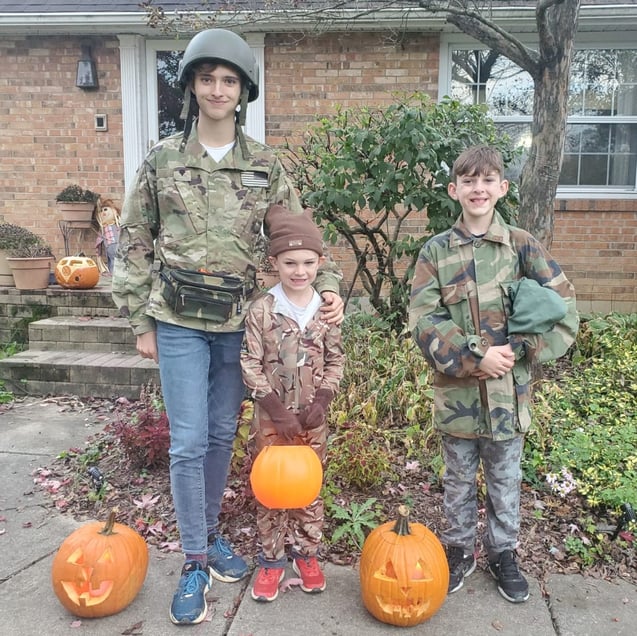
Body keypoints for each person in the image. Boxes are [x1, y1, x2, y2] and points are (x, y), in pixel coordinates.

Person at [111, 29, 343, 626]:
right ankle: (193, 561)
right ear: (191, 85)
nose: (218, 89)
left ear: (244, 92)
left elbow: (299, 236)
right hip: (178, 321)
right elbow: (134, 242)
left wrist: (330, 286)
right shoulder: (163, 160)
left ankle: (212, 536)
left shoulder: (265, 164)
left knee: (220, 437)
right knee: (188, 441)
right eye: (208, 77)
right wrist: (140, 319)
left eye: (230, 80)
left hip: (242, 326)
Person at [408, 145, 579, 604]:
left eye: (487, 180)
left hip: (508, 397)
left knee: (505, 481)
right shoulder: (437, 252)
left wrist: (521, 349)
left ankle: (504, 553)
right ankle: (459, 550)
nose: (477, 188)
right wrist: (473, 356)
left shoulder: (523, 246)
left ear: (503, 188)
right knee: (459, 480)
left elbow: (563, 310)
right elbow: (423, 320)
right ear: (454, 190)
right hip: (458, 398)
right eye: (468, 181)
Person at [240, 204, 344, 603]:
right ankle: (271, 559)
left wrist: (322, 400)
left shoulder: (326, 310)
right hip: (272, 422)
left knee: (307, 489)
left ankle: (306, 553)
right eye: (289, 263)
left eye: (307, 262)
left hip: (312, 421)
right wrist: (276, 410)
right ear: (275, 263)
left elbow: (336, 358)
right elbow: (249, 361)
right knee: (271, 489)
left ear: (319, 262)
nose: (299, 271)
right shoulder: (263, 310)